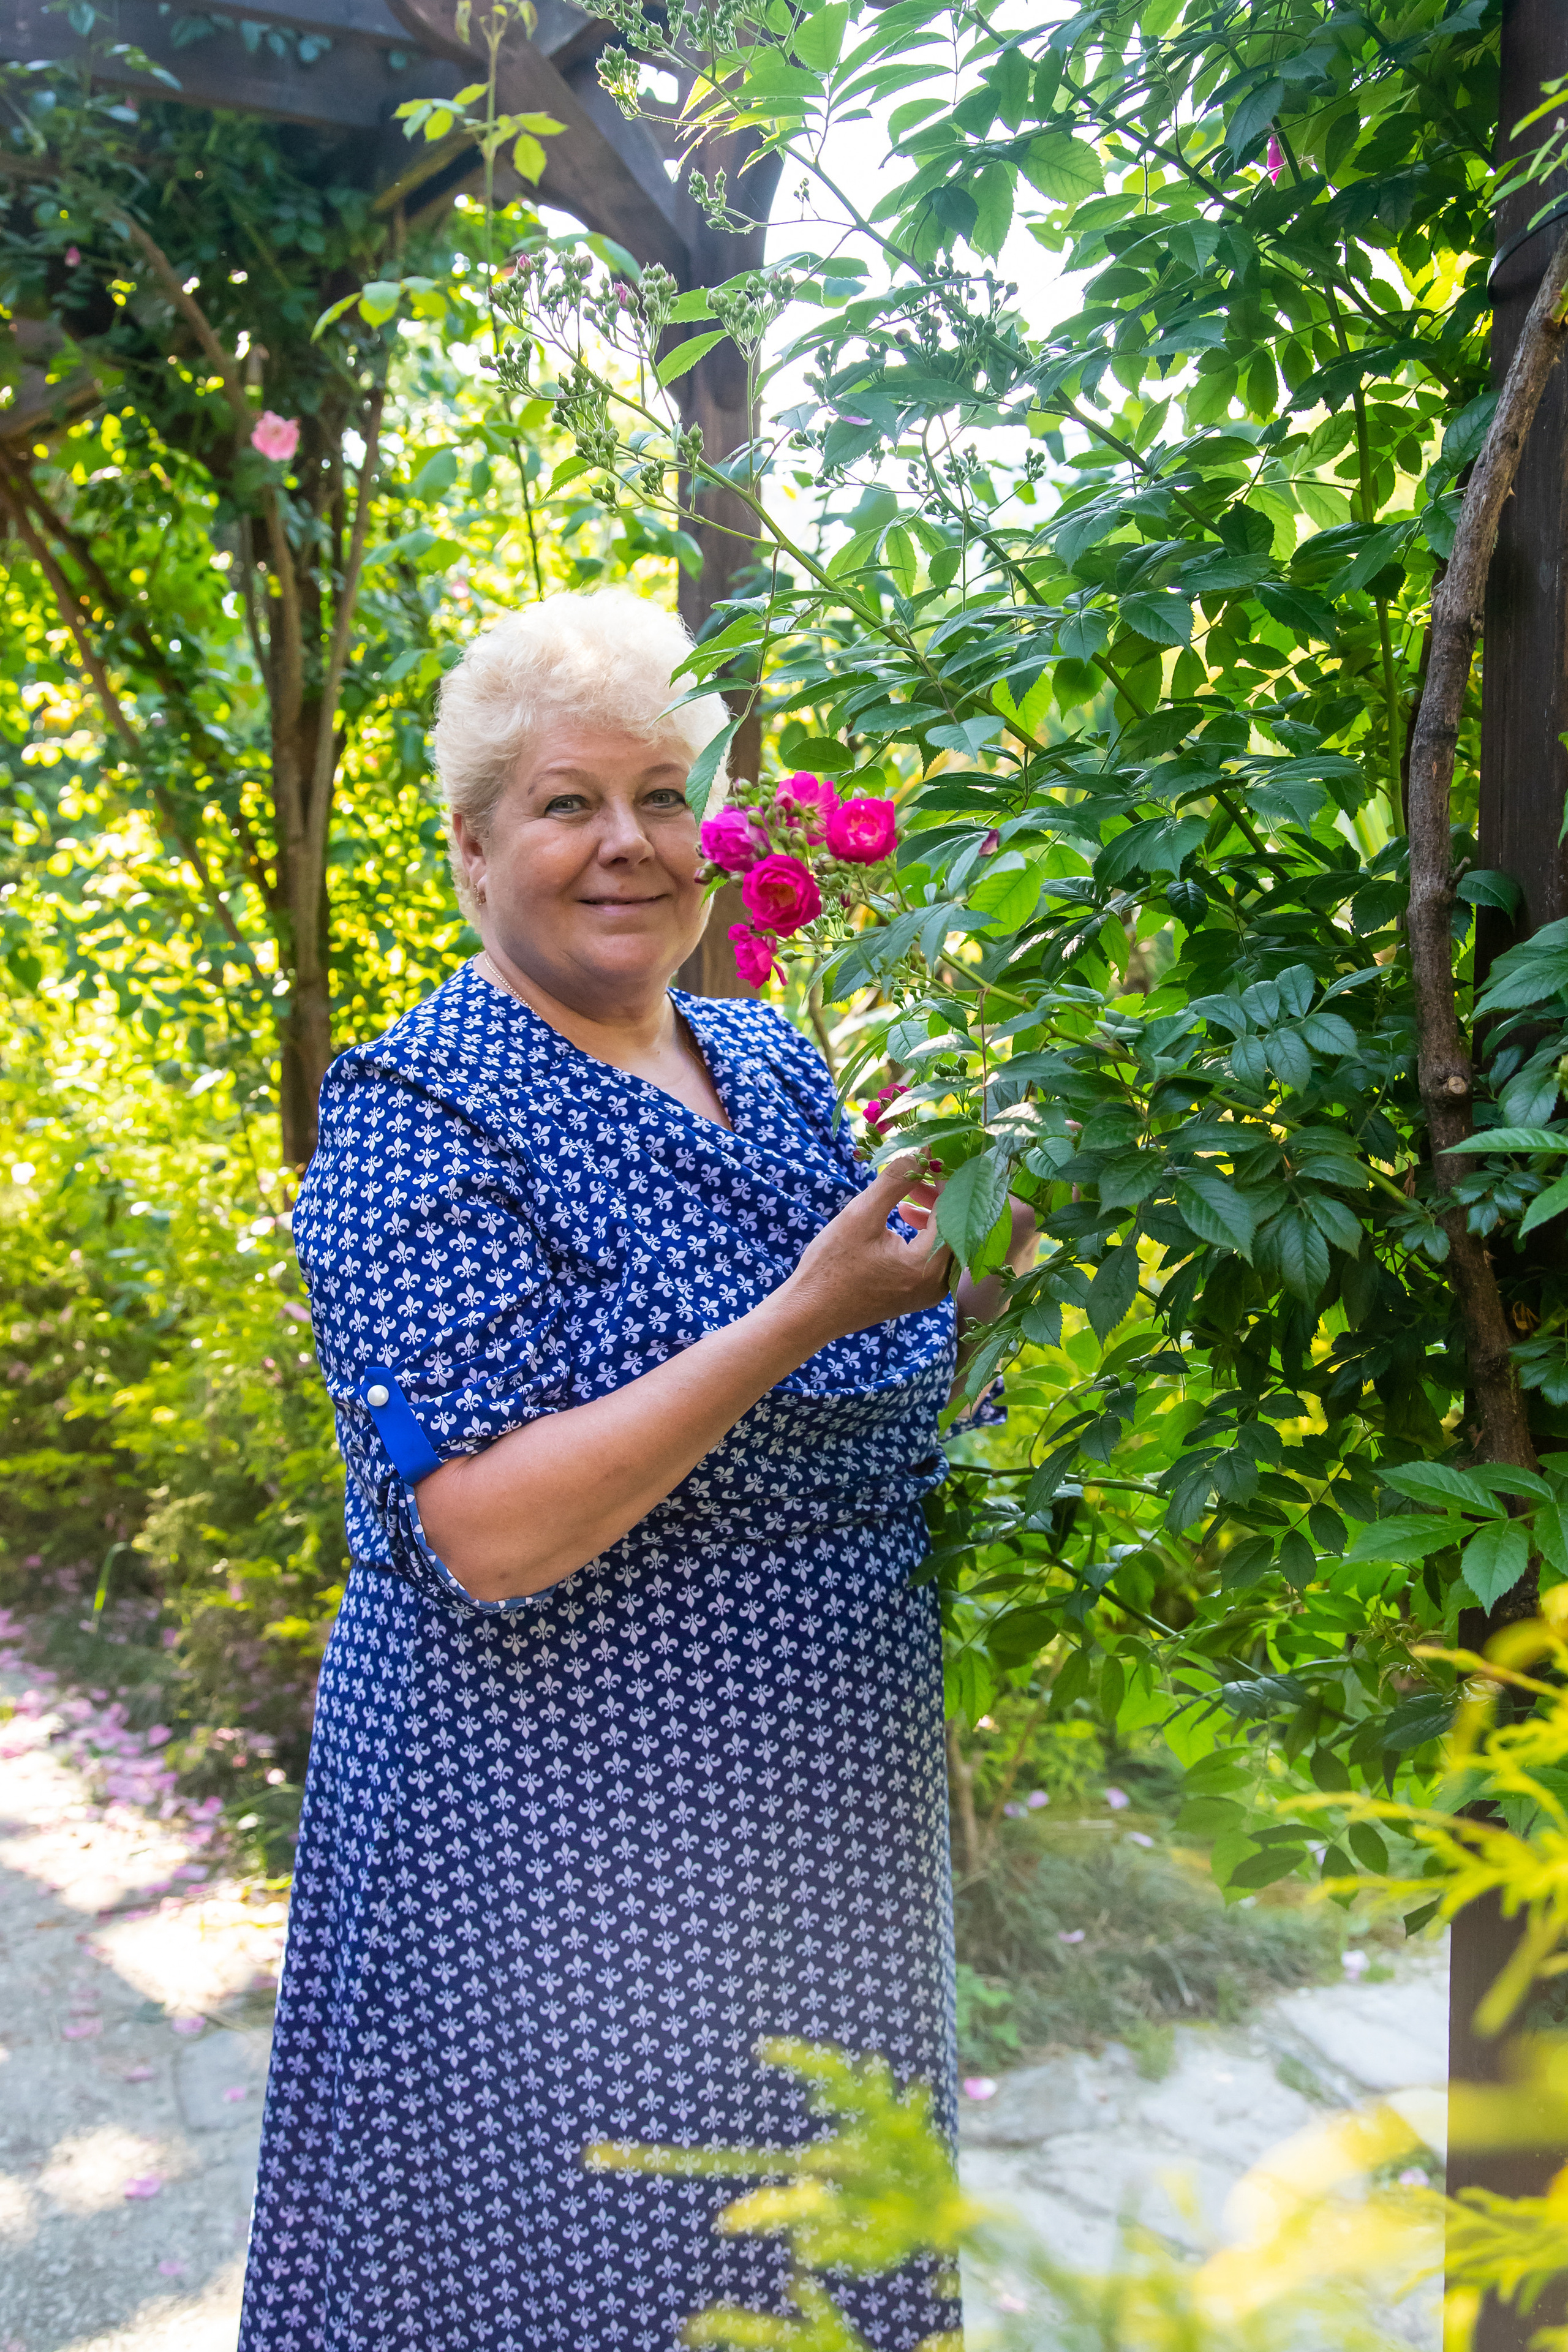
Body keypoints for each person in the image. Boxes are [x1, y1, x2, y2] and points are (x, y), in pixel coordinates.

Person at [238, 587, 1027, 2352]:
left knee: (815, 2273)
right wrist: (804, 1310)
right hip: (547, 1859)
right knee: (558, 2286)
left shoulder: (763, 1054)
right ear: (471, 847)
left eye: (665, 796)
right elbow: (492, 1529)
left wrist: (981, 1275)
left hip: (822, 1851)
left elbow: (877, 1403)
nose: (628, 845)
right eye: (566, 803)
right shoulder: (416, 1108)